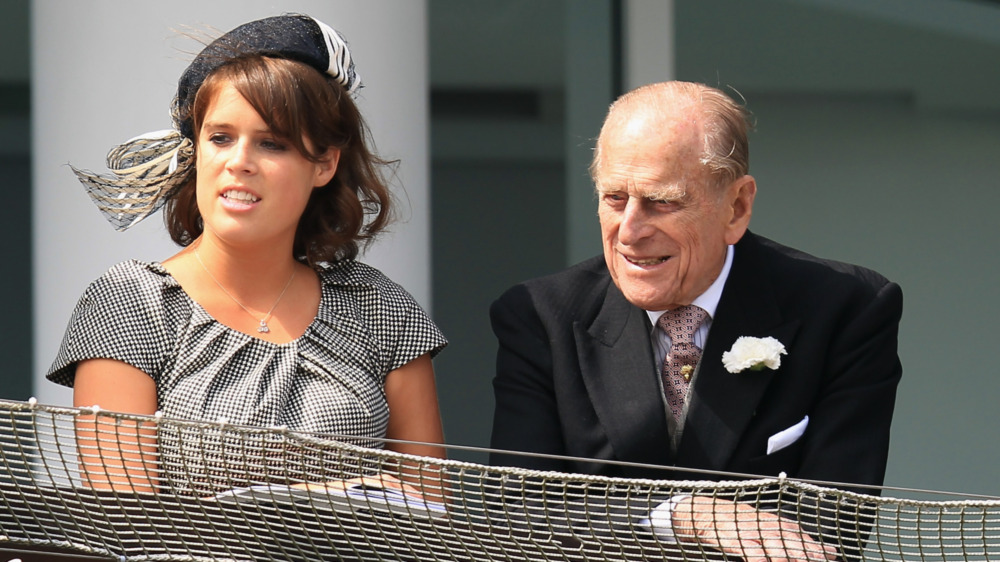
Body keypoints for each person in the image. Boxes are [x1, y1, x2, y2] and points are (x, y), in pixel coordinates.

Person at [489, 81, 902, 561]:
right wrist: (687, 514)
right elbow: (517, 519)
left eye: (662, 201)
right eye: (615, 199)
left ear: (737, 207)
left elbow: (831, 530)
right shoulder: (541, 315)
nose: (631, 232)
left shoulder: (845, 309)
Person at [47, 14, 447, 499]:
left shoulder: (379, 307)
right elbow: (132, 531)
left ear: (324, 163)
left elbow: (429, 516)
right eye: (220, 137)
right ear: (195, 150)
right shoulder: (130, 304)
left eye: (271, 143)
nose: (238, 161)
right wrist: (331, 496)